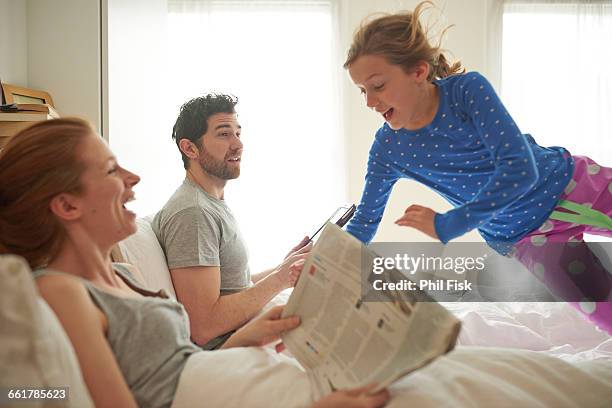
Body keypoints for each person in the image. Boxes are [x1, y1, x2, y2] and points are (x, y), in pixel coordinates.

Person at [0, 118, 389, 408]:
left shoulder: (121, 274)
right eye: (110, 169)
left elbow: (175, 367)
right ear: (67, 205)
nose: (133, 177)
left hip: (244, 378)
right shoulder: (58, 291)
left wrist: (245, 338)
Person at [343, 1, 612, 334]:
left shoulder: (467, 91)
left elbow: (520, 169)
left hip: (572, 185)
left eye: (378, 85)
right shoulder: (388, 149)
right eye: (362, 90)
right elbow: (366, 221)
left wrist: (451, 223)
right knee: (606, 312)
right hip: (529, 238)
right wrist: (321, 260)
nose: (370, 101)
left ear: (418, 72)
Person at [152, 94, 311, 350]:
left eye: (238, 133)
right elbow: (204, 326)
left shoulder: (209, 204)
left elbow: (235, 289)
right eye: (224, 134)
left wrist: (284, 268)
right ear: (190, 148)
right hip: (238, 350)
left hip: (258, 331)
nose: (238, 144)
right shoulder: (193, 213)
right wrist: (281, 278)